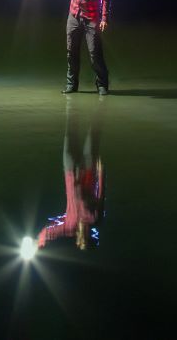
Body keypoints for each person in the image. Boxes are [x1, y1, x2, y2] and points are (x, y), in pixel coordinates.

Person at [36, 101, 105, 251]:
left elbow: (49, 232)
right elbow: (100, 195)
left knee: (69, 133)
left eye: (81, 240)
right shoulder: (95, 218)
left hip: (70, 170)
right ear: (89, 235)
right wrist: (100, 173)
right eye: (86, 238)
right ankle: (100, 107)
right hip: (88, 169)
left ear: (78, 238)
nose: (83, 235)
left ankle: (72, 106)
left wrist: (39, 243)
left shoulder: (69, 226)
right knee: (92, 134)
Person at [48, 0, 111, 95]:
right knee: (71, 52)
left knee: (94, 54)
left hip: (92, 19)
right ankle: (72, 85)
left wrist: (104, 18)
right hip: (74, 17)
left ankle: (102, 85)